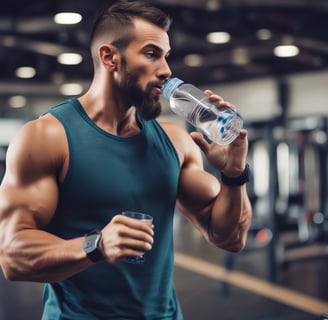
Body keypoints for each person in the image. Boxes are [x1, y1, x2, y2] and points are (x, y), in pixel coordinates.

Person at [0, 1, 252, 319]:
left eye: (166, 55)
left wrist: (233, 174)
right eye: (151, 53)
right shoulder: (47, 138)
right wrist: (96, 245)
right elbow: (12, 256)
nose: (166, 70)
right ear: (109, 57)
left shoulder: (175, 141)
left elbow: (230, 238)